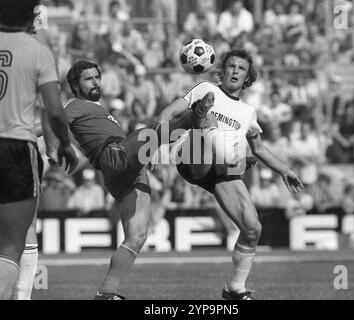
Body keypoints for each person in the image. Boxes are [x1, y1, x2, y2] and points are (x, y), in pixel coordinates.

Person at [42, 60, 208, 300]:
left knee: (138, 236)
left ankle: (106, 292)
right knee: (146, 133)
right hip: (112, 156)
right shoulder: (75, 105)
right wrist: (29, 138)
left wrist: (145, 154)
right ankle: (194, 116)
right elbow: (48, 121)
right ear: (75, 85)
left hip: (126, 172)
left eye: (97, 77)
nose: (96, 81)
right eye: (89, 79)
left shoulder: (101, 108)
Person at [158, 49, 303, 300]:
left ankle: (234, 288)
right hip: (192, 155)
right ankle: (207, 124)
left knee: (252, 228)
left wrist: (285, 170)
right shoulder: (204, 88)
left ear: (248, 78)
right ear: (222, 71)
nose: (235, 71)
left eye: (241, 69)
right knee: (207, 119)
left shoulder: (247, 112)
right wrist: (156, 146)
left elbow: (258, 148)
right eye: (232, 66)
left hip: (222, 171)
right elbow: (167, 114)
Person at [0, 0, 78, 300]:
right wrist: (64, 145)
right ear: (31, 18)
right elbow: (53, 111)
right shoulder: (39, 52)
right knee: (13, 241)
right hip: (17, 148)